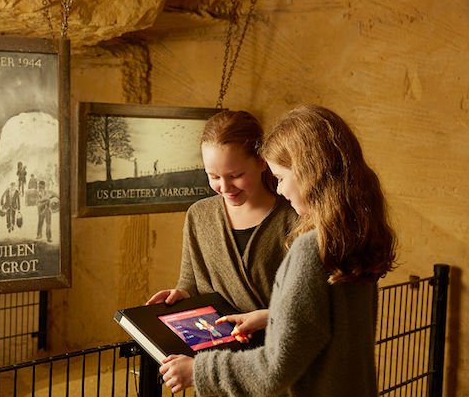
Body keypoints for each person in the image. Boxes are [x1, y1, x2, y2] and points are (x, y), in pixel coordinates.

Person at [159, 104, 396, 396]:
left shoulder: (310, 246)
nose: (280, 189)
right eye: (213, 176)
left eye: (281, 178)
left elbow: (274, 369)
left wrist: (198, 369)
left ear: (310, 173)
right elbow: (322, 322)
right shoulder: (350, 237)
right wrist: (273, 316)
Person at [147, 110, 298, 321]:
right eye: (214, 176)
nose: (224, 187)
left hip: (276, 346)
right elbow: (190, 281)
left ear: (262, 161)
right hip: (216, 343)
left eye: (236, 175)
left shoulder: (294, 219)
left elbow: (305, 306)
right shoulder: (198, 215)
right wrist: (182, 295)